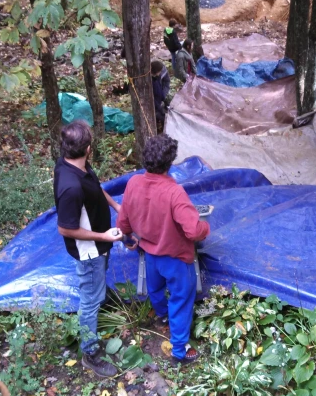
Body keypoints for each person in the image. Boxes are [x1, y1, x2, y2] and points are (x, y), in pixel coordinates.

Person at [116, 134, 210, 365]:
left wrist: (129, 240)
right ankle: (179, 349)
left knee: (155, 289)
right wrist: (205, 227)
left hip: (149, 253)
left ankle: (162, 316)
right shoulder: (174, 192)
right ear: (170, 163)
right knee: (181, 296)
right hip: (175, 257)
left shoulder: (133, 183)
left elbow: (123, 223)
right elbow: (192, 230)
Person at [54, 121, 124, 378]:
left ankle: (101, 293)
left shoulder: (74, 163)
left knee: (96, 287)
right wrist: (103, 235)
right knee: (89, 303)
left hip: (100, 246)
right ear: (88, 148)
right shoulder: (70, 187)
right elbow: (65, 228)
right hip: (89, 251)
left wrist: (117, 207)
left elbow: (94, 186)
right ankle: (90, 353)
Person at [151, 59, 171, 132]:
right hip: (155, 106)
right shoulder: (152, 82)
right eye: (160, 71)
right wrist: (159, 108)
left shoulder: (157, 79)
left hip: (159, 102)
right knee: (161, 117)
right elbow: (154, 98)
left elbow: (160, 92)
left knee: (164, 116)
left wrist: (164, 99)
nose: (161, 73)